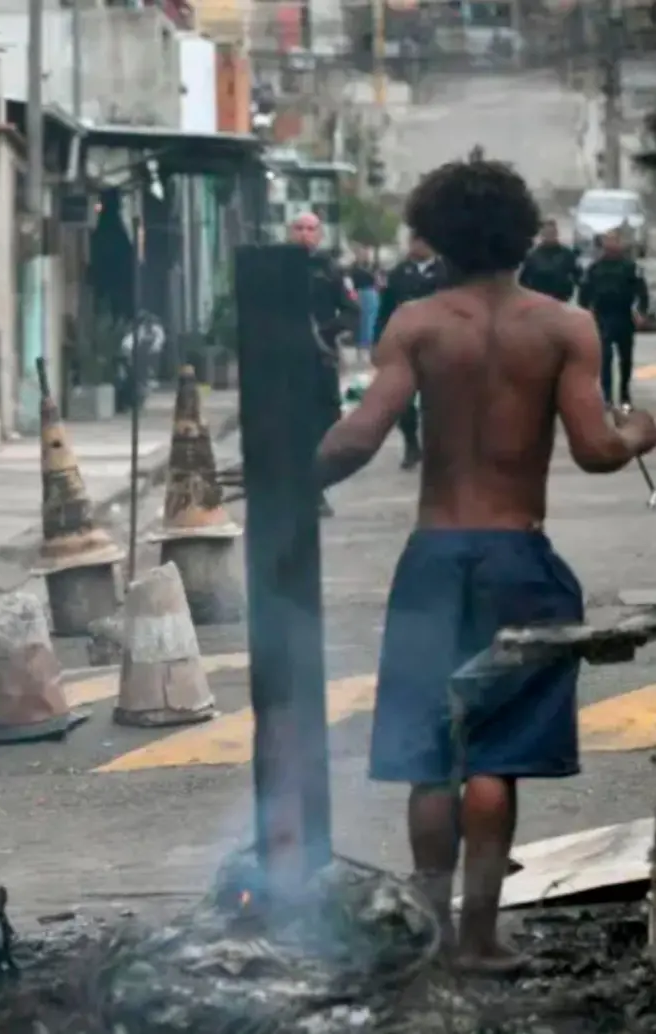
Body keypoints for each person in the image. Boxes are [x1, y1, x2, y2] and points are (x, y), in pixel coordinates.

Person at [315, 158, 656, 973]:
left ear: (436, 238)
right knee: (496, 756)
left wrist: (285, 477)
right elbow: (600, 448)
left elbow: (359, 438)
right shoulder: (563, 326)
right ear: (517, 230)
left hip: (434, 560)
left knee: (431, 759)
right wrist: (643, 429)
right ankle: (479, 938)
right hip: (520, 561)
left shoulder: (416, 323)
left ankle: (428, 938)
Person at [290, 211, 358, 517]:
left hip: (321, 357)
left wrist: (329, 330)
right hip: (286, 358)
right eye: (299, 228)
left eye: (310, 229)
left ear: (319, 235)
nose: (304, 234)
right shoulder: (277, 267)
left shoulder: (329, 270)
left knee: (326, 420)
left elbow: (351, 310)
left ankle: (316, 485)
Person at [374, 235, 447, 470]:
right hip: (405, 344)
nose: (417, 246)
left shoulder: (448, 272)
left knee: (437, 399)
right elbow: (385, 310)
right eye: (414, 241)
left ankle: (437, 448)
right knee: (403, 400)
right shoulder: (398, 274)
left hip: (440, 344)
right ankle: (411, 443)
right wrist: (378, 342)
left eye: (423, 242)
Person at [578, 229, 650, 408]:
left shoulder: (630, 267)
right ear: (603, 244)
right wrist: (587, 312)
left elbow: (642, 292)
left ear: (621, 244)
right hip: (603, 317)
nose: (611, 245)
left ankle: (625, 396)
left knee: (626, 359)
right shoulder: (595, 267)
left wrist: (641, 312)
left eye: (615, 241)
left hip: (624, 316)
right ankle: (607, 397)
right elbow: (584, 293)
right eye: (608, 241)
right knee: (606, 358)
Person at [518, 218, 581, 303]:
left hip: (560, 299)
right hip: (537, 300)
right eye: (547, 233)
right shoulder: (533, 255)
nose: (549, 236)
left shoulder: (567, 254)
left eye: (552, 233)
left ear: (556, 233)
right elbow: (524, 280)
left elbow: (577, 275)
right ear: (542, 234)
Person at [347, 243, 380, 362]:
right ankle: (361, 347)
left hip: (371, 293)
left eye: (366, 252)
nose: (364, 255)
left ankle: (369, 346)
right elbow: (349, 282)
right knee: (361, 321)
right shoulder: (353, 268)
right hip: (359, 293)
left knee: (371, 320)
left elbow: (378, 280)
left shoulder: (372, 266)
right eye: (361, 252)